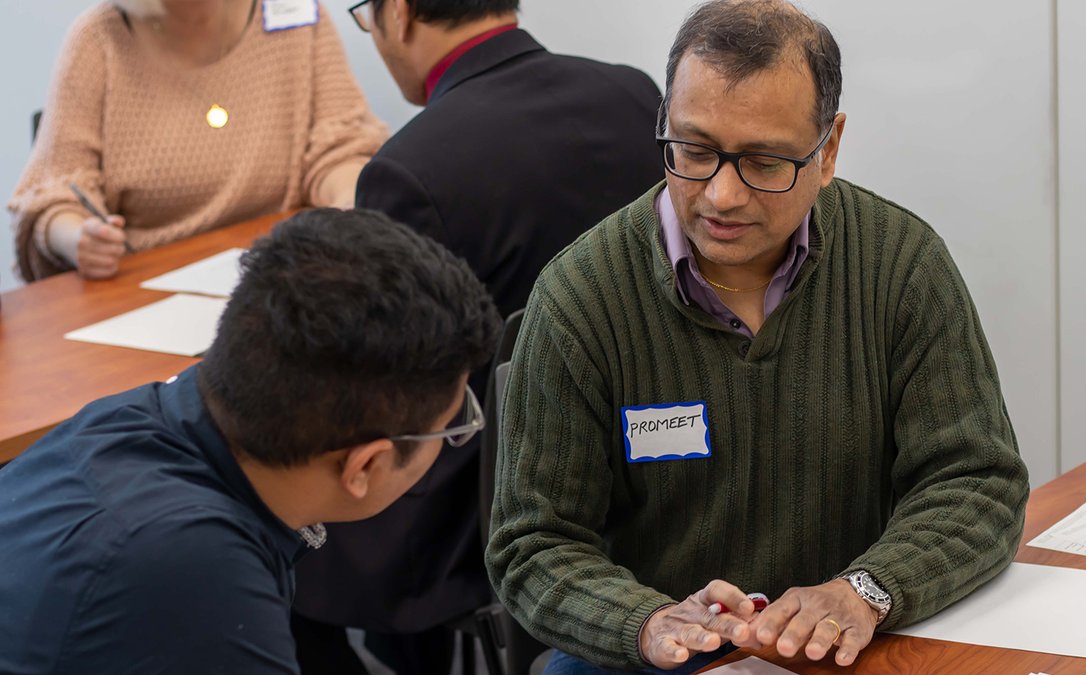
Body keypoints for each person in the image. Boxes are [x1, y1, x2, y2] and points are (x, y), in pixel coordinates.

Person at [485, 1, 1032, 673]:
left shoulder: (899, 264)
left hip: (846, 643)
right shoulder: (581, 297)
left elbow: (977, 480)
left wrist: (865, 590)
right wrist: (649, 622)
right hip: (648, 658)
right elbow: (533, 545)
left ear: (828, 150)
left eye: (764, 162)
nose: (721, 195)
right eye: (694, 151)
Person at [288, 1, 663, 672]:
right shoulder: (634, 95)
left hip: (490, 496)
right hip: (648, 454)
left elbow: (389, 384)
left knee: (282, 526)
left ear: (399, 13)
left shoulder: (410, 167)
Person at [0, 208, 501, 674]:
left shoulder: (127, 417)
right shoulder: (200, 580)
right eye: (450, 427)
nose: (453, 435)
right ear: (364, 466)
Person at [10, 0, 389, 281]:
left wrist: (348, 202)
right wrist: (79, 238)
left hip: (279, 274)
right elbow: (53, 195)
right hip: (143, 289)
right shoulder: (98, 39)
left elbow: (341, 148)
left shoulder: (297, 16)